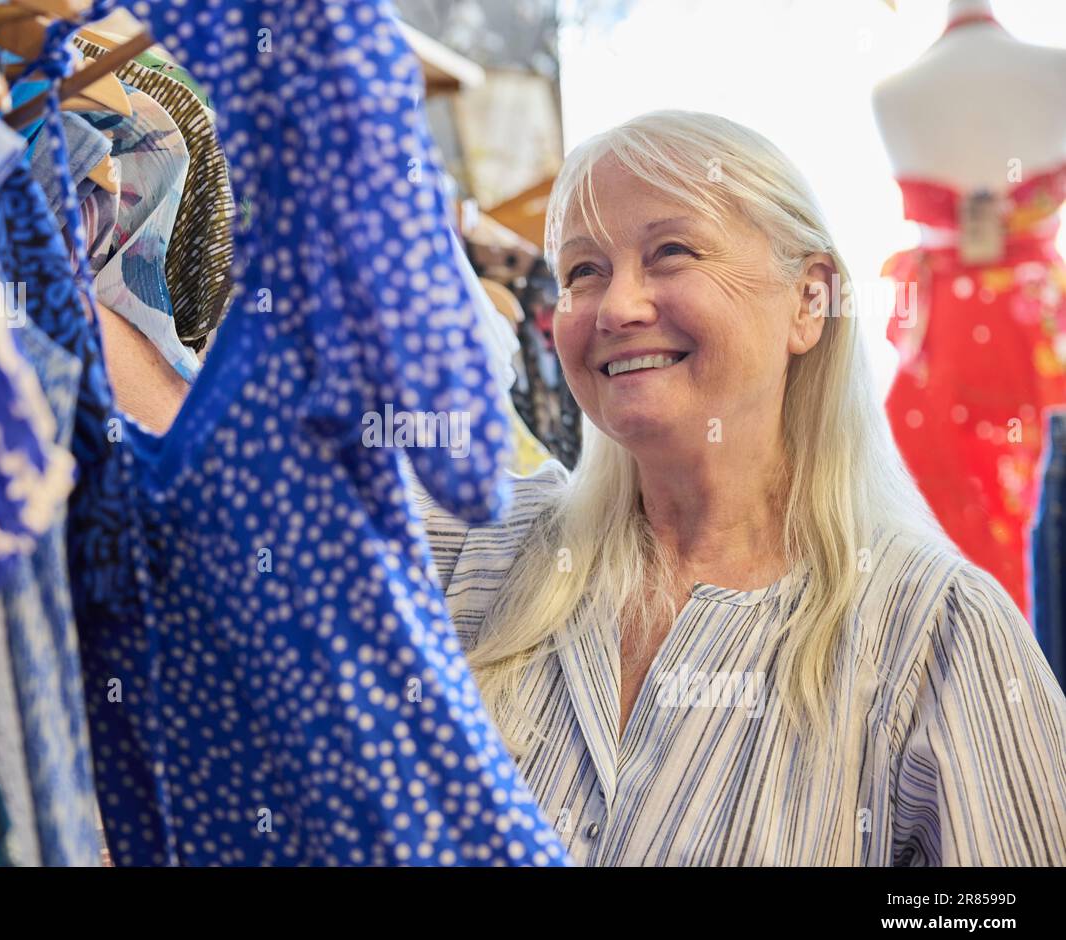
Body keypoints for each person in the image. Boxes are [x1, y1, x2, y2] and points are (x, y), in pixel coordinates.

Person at [416, 109, 1066, 865]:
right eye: (582, 271)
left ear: (809, 300)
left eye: (672, 252)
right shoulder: (474, 550)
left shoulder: (935, 633)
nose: (618, 306)